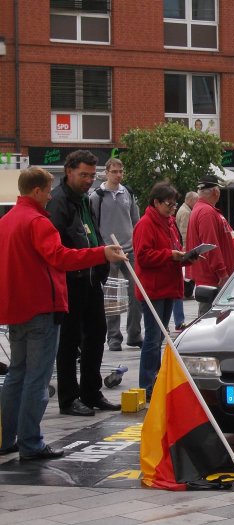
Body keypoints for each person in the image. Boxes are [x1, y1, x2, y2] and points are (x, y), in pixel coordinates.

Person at [0, 167, 126, 460]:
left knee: (17, 374)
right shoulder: (37, 222)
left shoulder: (6, 221)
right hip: (42, 307)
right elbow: (61, 257)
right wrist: (101, 253)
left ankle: (6, 438)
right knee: (37, 377)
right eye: (46, 192)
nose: (49, 197)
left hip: (16, 308)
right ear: (36, 192)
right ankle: (31, 442)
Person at [46, 150, 123, 416]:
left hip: (90, 278)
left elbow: (93, 235)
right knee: (69, 341)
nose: (88, 180)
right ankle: (69, 398)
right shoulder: (58, 202)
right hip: (71, 280)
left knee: (96, 334)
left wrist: (102, 260)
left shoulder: (86, 201)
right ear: (69, 172)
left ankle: (91, 391)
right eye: (83, 175)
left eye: (92, 175)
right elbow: (57, 246)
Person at [132, 182, 188, 399]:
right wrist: (170, 255)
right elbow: (143, 256)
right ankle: (146, 385)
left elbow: (173, 248)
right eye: (169, 204)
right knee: (153, 338)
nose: (172, 208)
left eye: (174, 205)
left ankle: (154, 379)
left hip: (167, 285)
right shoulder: (146, 224)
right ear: (155, 202)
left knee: (160, 336)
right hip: (153, 288)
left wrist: (185, 256)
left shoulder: (169, 223)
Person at [89, 157, 142, 351]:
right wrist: (100, 247)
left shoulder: (127, 192)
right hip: (109, 250)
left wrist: (136, 241)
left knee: (136, 293)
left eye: (121, 171)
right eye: (115, 172)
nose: (118, 175)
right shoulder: (97, 196)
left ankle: (134, 334)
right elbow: (93, 225)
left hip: (129, 249)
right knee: (111, 295)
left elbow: (136, 220)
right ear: (106, 173)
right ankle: (113, 337)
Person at [187, 173, 234, 316]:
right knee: (209, 318)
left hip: (212, 279)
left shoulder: (205, 210)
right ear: (216, 191)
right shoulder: (206, 212)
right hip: (213, 280)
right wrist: (222, 273)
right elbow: (210, 246)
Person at [172, 191, 198, 329]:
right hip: (181, 253)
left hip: (179, 253)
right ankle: (178, 321)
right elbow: (185, 233)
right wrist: (187, 252)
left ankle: (178, 321)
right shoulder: (186, 212)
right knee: (180, 286)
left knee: (178, 289)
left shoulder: (182, 210)